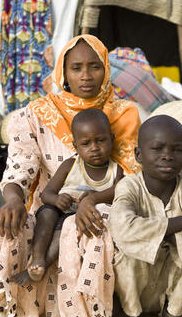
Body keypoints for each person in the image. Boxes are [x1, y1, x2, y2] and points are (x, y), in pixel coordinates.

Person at [0, 34, 140, 317]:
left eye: (94, 66)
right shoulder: (38, 113)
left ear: (106, 69)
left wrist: (90, 202)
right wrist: (13, 199)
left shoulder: (123, 114)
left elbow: (130, 179)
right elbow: (20, 165)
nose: (86, 76)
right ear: (63, 72)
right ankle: (21, 308)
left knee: (92, 225)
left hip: (103, 208)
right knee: (7, 224)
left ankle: (95, 307)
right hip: (51, 212)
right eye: (76, 68)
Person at [109, 115, 182, 317]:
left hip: (173, 288)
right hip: (136, 289)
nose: (167, 155)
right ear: (138, 154)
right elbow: (122, 229)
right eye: (157, 148)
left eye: (177, 150)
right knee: (127, 254)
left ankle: (174, 311)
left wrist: (155, 237)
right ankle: (132, 313)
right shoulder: (129, 185)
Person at [13, 109, 125, 285]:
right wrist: (57, 200)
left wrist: (97, 197)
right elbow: (46, 194)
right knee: (47, 214)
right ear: (76, 146)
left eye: (101, 140)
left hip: (82, 221)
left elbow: (120, 193)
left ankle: (40, 266)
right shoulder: (70, 165)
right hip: (60, 212)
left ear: (112, 139)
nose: (94, 148)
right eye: (86, 144)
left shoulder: (116, 171)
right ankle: (37, 259)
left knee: (66, 231)